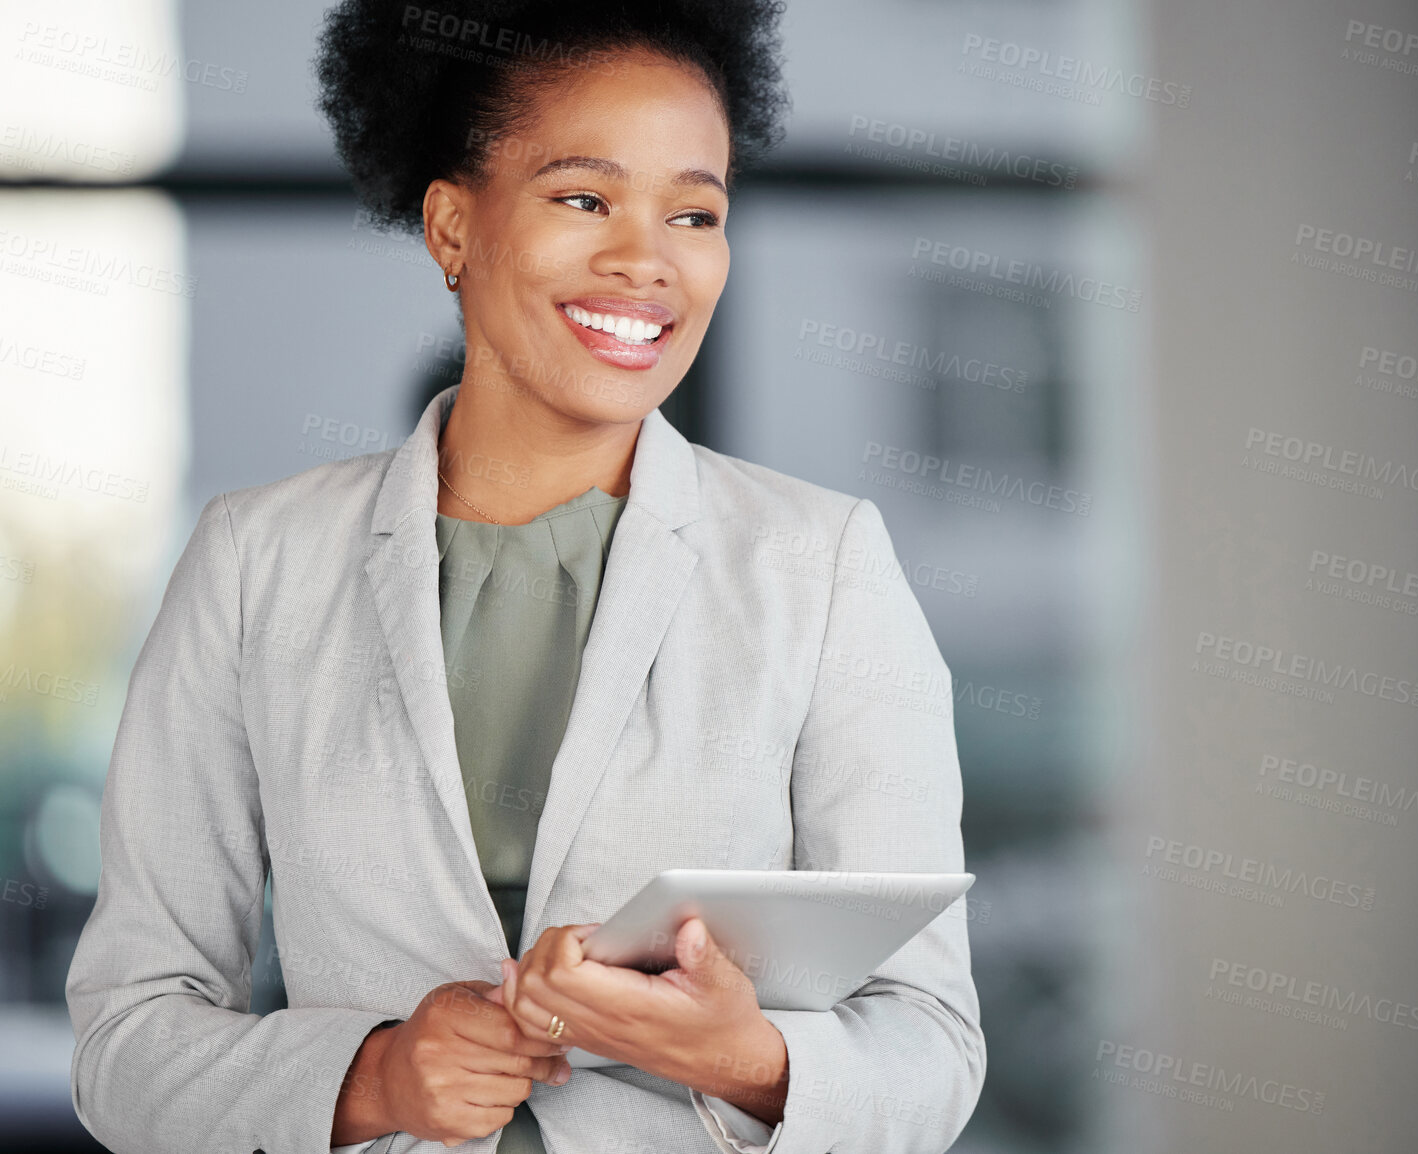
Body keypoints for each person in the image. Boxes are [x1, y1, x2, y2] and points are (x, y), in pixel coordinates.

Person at [62, 2, 985, 1152]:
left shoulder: (825, 562)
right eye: (585, 198)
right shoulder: (257, 562)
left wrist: (737, 1056)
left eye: (695, 211)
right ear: (452, 225)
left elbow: (932, 1044)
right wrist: (376, 1075)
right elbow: (127, 1043)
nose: (647, 258)